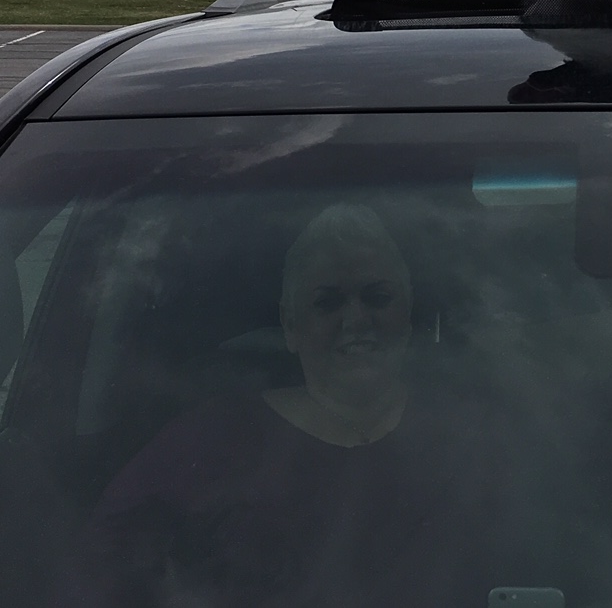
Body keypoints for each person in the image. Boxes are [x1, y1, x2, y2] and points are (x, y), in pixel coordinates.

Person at [72, 203, 504, 608]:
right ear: (290, 324)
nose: (356, 319)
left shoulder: (472, 439)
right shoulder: (207, 442)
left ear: (408, 314)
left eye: (377, 297)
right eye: (327, 302)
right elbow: (100, 574)